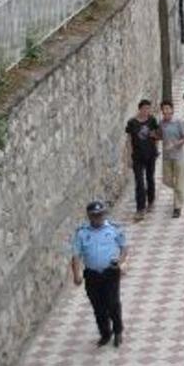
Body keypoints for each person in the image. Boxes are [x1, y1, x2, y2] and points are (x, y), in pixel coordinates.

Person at [70, 201, 128, 347]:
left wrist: (120, 262)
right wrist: (76, 274)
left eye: (101, 214)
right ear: (89, 216)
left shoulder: (114, 229)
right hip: (92, 275)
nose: (98, 218)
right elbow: (76, 256)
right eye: (95, 215)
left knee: (113, 303)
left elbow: (124, 247)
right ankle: (105, 333)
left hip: (110, 272)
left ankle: (118, 331)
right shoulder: (82, 233)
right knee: (98, 306)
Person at [124, 99, 160, 221]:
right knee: (139, 182)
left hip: (150, 154)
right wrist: (128, 156)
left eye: (148, 109)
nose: (147, 111)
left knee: (150, 178)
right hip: (137, 156)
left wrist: (156, 147)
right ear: (140, 109)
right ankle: (140, 208)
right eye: (145, 109)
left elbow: (156, 135)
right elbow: (129, 141)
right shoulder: (132, 123)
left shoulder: (152, 120)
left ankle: (151, 201)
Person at [158, 100, 184, 218]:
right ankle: (179, 190)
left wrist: (175, 144)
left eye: (168, 108)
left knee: (179, 183)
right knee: (166, 180)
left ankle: (177, 207)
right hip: (166, 157)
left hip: (178, 157)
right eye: (164, 109)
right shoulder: (161, 123)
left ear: (172, 110)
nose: (166, 111)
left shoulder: (179, 122)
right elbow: (161, 136)